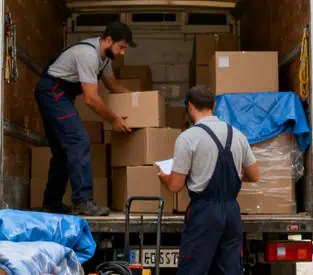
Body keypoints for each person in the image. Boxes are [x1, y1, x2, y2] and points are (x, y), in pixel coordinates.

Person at [36, 22, 136, 216]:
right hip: (52, 92)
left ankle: (52, 202)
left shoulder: (105, 59)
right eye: (121, 47)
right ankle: (83, 201)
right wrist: (114, 119)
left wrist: (140, 100)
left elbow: (113, 85)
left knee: (63, 150)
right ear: (108, 40)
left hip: (59, 95)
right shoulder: (88, 54)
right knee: (78, 140)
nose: (123, 52)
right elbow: (91, 98)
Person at [158, 85, 260, 274]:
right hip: (231, 212)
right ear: (213, 105)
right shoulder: (237, 135)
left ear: (190, 107)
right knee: (229, 270)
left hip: (204, 213)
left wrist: (165, 178)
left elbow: (175, 185)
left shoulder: (188, 138)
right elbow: (254, 175)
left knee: (193, 269)